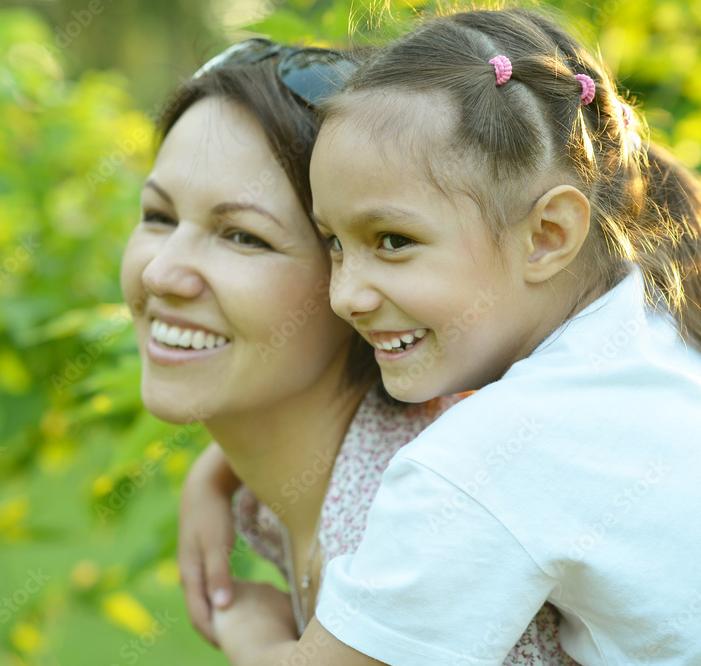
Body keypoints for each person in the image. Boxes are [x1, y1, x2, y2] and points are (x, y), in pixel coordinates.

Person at [205, 8, 701, 666]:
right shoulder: (662, 312)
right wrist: (219, 469)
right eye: (334, 244)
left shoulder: (482, 463)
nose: (345, 294)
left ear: (549, 235)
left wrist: (248, 626)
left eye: (393, 240)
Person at [123, 38, 578, 665]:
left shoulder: (422, 527)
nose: (161, 274)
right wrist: (217, 473)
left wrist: (250, 637)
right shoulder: (292, 489)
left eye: (243, 236)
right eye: (158, 215)